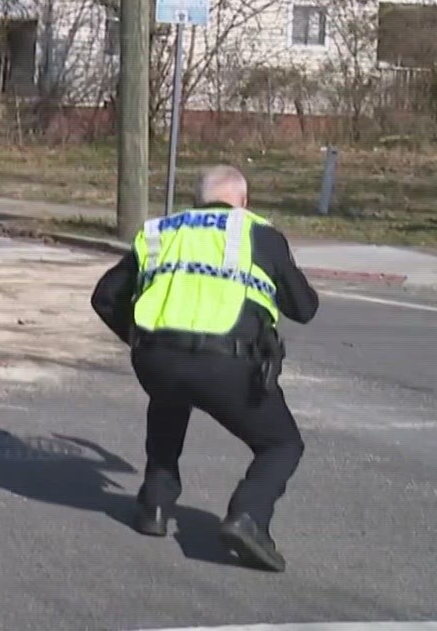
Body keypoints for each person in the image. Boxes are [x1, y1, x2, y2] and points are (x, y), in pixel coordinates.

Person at [89, 164, 320, 572]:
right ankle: (248, 516)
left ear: (197, 200)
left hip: (156, 357)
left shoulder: (161, 231)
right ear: (243, 202)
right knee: (282, 444)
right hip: (228, 362)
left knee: (169, 398)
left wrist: (141, 339)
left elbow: (105, 297)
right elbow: (304, 308)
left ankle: (155, 507)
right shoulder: (258, 234)